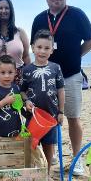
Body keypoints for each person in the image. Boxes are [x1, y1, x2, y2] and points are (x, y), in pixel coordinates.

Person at [31, 0, 91, 175]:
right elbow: (35, 46)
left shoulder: (77, 14)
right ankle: (46, 159)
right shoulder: (39, 19)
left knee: (73, 117)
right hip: (45, 76)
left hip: (70, 75)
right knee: (46, 118)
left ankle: (76, 159)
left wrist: (76, 56)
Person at [20, 29, 65, 173]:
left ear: (52, 50)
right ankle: (31, 171)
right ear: (33, 47)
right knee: (30, 145)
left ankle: (47, 173)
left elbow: (61, 90)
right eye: (39, 47)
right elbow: (21, 90)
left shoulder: (55, 68)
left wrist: (61, 112)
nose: (42, 51)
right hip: (33, 116)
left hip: (51, 116)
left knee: (49, 145)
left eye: (47, 48)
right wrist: (26, 101)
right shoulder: (27, 70)